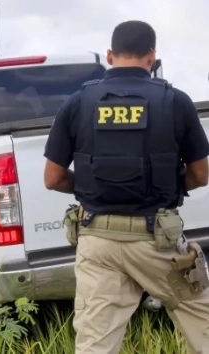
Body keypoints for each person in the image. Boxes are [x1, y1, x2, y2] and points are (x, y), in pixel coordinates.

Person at [43, 20, 209, 354]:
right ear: (152, 57)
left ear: (109, 55)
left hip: (97, 241)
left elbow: (53, 178)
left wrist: (93, 189)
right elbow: (201, 174)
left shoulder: (77, 103)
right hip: (157, 243)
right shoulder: (175, 101)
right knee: (201, 319)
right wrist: (164, 186)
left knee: (94, 345)